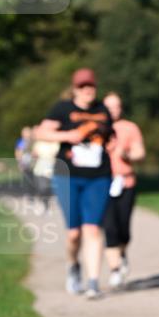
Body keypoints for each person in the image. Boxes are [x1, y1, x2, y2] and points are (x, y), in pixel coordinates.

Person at [34, 68, 113, 300]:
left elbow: (111, 135)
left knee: (93, 228)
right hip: (68, 175)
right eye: (82, 86)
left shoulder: (102, 109)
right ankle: (72, 265)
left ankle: (93, 282)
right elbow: (41, 133)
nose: (87, 90)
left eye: (91, 86)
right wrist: (68, 137)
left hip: (99, 175)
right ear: (75, 88)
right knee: (74, 234)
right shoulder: (63, 109)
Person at [103, 92, 146, 289]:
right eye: (109, 106)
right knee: (109, 227)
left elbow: (140, 152)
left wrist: (127, 154)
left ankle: (122, 254)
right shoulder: (96, 128)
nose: (113, 110)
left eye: (116, 106)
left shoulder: (130, 128)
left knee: (123, 229)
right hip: (101, 184)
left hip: (125, 183)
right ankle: (114, 269)